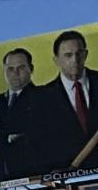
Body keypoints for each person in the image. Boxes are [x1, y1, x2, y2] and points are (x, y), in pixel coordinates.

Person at [30, 30, 98, 173]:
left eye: (79, 53)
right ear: (57, 60)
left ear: (86, 54)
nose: (75, 60)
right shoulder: (42, 97)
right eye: (68, 55)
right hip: (64, 173)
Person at [0, 46, 44, 182]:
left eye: (21, 68)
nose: (15, 73)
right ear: (4, 71)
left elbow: (38, 128)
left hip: (36, 169)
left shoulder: (43, 95)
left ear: (31, 69)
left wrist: (0, 126)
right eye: (10, 69)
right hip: (2, 172)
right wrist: (13, 134)